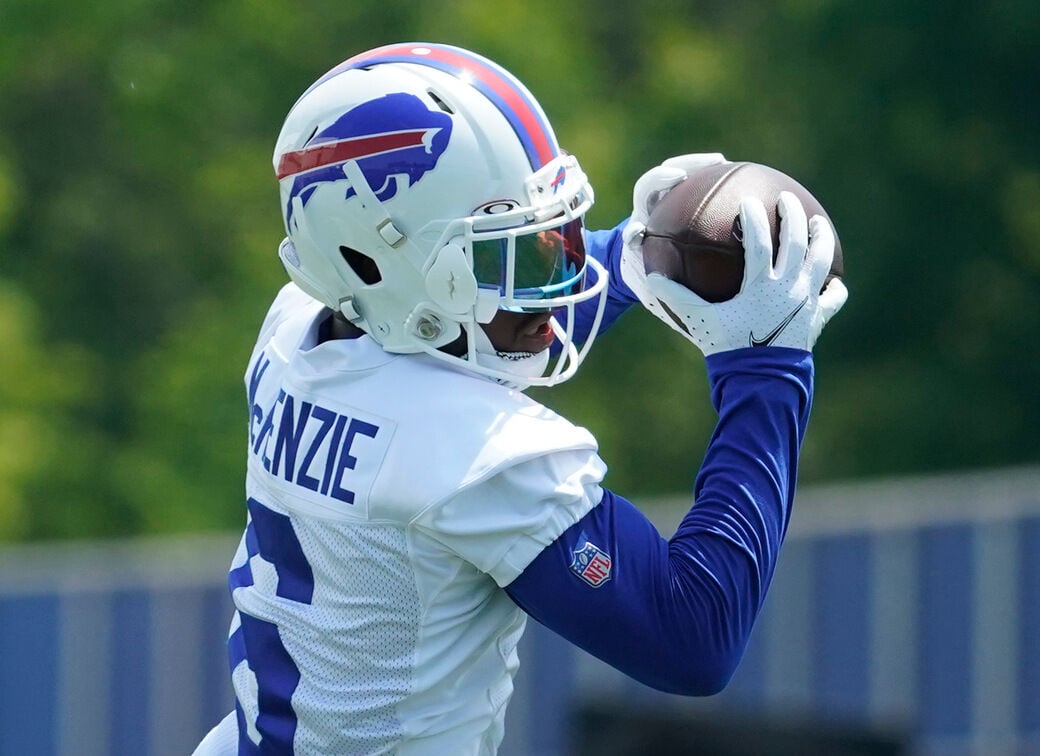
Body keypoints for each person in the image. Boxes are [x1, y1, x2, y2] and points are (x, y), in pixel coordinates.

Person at [193, 41, 848, 755]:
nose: (557, 283)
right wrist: (766, 370)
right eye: (508, 254)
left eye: (551, 239)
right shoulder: (477, 459)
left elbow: (447, 335)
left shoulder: (296, 331)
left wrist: (630, 256)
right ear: (374, 262)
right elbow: (694, 638)